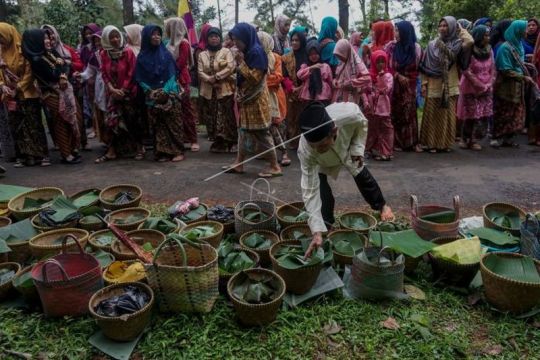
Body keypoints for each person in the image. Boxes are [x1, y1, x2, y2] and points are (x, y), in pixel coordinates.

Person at [297, 102, 394, 258]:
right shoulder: (307, 151)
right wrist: (316, 230)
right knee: (323, 193)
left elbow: (362, 124)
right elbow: (309, 190)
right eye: (313, 146)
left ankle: (382, 206)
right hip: (321, 163)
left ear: (333, 131)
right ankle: (326, 228)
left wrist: (357, 149)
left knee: (362, 176)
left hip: (347, 148)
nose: (317, 150)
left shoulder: (349, 114)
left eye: (321, 145)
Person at [223, 23, 281, 178]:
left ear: (245, 38)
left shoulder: (256, 52)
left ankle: (275, 166)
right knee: (243, 131)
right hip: (247, 100)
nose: (235, 44)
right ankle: (239, 163)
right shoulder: (248, 51)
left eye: (237, 40)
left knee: (261, 132)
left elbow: (255, 78)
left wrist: (240, 63)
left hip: (256, 102)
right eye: (233, 40)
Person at [22, 29, 81, 164]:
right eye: (44, 39)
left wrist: (62, 72)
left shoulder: (49, 53)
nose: (48, 41)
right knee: (61, 121)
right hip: (52, 94)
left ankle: (73, 149)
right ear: (36, 41)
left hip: (65, 92)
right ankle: (66, 154)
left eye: (48, 38)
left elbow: (65, 67)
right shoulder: (36, 60)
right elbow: (53, 74)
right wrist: (61, 72)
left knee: (73, 118)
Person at [0, 23, 50, 167]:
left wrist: (19, 87)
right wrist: (3, 86)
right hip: (10, 95)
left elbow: (29, 72)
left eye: (1, 37)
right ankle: (24, 157)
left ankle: (40, 155)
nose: (0, 40)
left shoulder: (23, 49)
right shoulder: (1, 51)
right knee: (17, 126)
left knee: (32, 124)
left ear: (7, 34)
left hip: (27, 93)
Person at [135, 24, 185, 163]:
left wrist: (165, 90)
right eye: (153, 34)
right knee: (158, 126)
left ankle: (177, 151)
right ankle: (162, 152)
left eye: (158, 34)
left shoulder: (166, 54)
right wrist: (150, 91)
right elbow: (139, 78)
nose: (156, 37)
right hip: (152, 96)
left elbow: (172, 74)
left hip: (169, 94)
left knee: (173, 124)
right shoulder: (141, 57)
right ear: (146, 37)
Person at [94, 25, 143, 163]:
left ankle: (139, 148)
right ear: (106, 39)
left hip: (128, 93)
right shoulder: (104, 54)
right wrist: (112, 89)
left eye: (117, 36)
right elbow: (104, 73)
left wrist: (123, 89)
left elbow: (132, 72)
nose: (115, 39)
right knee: (112, 121)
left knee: (132, 120)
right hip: (113, 94)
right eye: (111, 37)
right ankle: (112, 151)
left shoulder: (127, 52)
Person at [419, 16, 463, 153]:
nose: (443, 28)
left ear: (452, 27)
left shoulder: (458, 44)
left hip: (449, 84)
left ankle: (444, 144)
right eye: (441, 25)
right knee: (433, 115)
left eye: (446, 25)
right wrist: (424, 84)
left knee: (446, 116)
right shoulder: (432, 44)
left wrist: (460, 29)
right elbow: (425, 65)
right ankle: (431, 144)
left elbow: (470, 40)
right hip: (434, 83)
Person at [492, 20, 533, 148]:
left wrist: (525, 65)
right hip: (506, 87)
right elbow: (505, 69)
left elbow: (517, 62)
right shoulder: (505, 48)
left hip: (518, 86)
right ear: (518, 30)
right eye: (525, 29)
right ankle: (496, 137)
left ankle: (508, 138)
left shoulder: (519, 45)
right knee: (504, 112)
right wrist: (523, 77)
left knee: (516, 112)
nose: (527, 31)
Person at [198, 27, 237, 153]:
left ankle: (232, 142)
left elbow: (231, 67)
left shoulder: (226, 51)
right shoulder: (202, 54)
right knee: (212, 116)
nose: (214, 38)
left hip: (224, 88)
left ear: (220, 38)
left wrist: (217, 77)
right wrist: (209, 80)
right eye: (211, 36)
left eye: (216, 36)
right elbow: (199, 71)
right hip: (209, 90)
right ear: (207, 39)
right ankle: (219, 142)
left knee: (227, 116)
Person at [385, 20, 422, 152]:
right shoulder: (391, 48)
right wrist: (397, 76)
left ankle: (412, 142)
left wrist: (410, 79)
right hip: (395, 86)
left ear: (405, 32)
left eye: (397, 30)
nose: (395, 33)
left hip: (409, 86)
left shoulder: (416, 48)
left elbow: (419, 68)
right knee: (396, 112)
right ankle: (397, 142)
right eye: (395, 30)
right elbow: (387, 67)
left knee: (410, 113)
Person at [457, 25, 496, 150]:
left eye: (488, 35)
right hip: (471, 87)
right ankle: (465, 139)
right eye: (485, 35)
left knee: (482, 115)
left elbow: (493, 69)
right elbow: (466, 69)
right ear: (479, 36)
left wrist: (489, 84)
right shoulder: (470, 50)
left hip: (486, 87)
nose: (487, 38)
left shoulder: (490, 50)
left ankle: (475, 139)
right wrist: (479, 85)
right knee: (471, 115)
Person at [164, 17, 199, 152]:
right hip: (171, 80)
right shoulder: (168, 44)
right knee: (175, 110)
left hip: (181, 80)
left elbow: (181, 63)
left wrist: (173, 76)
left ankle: (193, 139)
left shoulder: (183, 43)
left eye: (168, 27)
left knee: (186, 109)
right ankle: (182, 137)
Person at [258, 31, 290, 166]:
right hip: (259, 96)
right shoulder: (254, 57)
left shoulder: (276, 57)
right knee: (262, 126)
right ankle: (267, 152)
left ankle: (284, 152)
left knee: (275, 125)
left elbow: (277, 77)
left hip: (274, 96)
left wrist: (261, 81)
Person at [282, 26, 308, 149]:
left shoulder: (307, 55)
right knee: (291, 118)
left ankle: (305, 142)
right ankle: (294, 142)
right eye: (292, 40)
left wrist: (303, 87)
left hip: (306, 92)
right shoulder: (286, 58)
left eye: (297, 40)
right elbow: (284, 75)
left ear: (302, 41)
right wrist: (292, 88)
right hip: (291, 92)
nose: (294, 43)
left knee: (304, 117)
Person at [365, 50, 394, 161]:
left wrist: (381, 78)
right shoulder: (369, 75)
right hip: (372, 107)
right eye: (378, 62)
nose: (381, 64)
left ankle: (386, 152)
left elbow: (386, 89)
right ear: (373, 63)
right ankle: (371, 149)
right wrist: (367, 102)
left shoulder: (388, 76)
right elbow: (366, 90)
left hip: (383, 108)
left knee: (387, 129)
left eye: (383, 61)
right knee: (372, 129)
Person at [332, 39, 372, 112]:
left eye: (340, 55)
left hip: (351, 98)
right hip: (340, 98)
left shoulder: (357, 62)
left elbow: (367, 78)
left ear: (346, 51)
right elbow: (337, 76)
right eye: (338, 56)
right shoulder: (342, 63)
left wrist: (352, 83)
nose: (339, 58)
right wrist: (335, 81)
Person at [297, 39, 333, 105]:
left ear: (319, 53)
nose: (314, 56)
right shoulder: (305, 66)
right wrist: (311, 67)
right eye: (311, 54)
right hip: (308, 96)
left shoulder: (325, 66)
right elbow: (299, 75)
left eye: (316, 53)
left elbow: (330, 81)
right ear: (308, 55)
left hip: (323, 96)